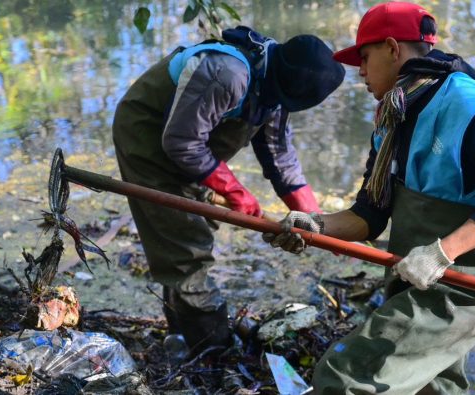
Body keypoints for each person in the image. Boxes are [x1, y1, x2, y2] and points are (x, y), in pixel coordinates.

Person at [264, 2, 475, 393]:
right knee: (434, 386)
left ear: (393, 49)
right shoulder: (393, 116)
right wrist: (314, 225)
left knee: (346, 376)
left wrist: (442, 253)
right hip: (414, 271)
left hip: (465, 282)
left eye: (365, 57)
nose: (360, 72)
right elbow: (369, 216)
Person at [112, 26, 344, 354]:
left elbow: (281, 157)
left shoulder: (277, 89)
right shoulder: (227, 74)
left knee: (195, 227)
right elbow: (181, 141)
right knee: (185, 244)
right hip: (150, 139)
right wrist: (236, 192)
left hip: (191, 146)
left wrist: (322, 225)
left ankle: (179, 330)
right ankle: (212, 347)